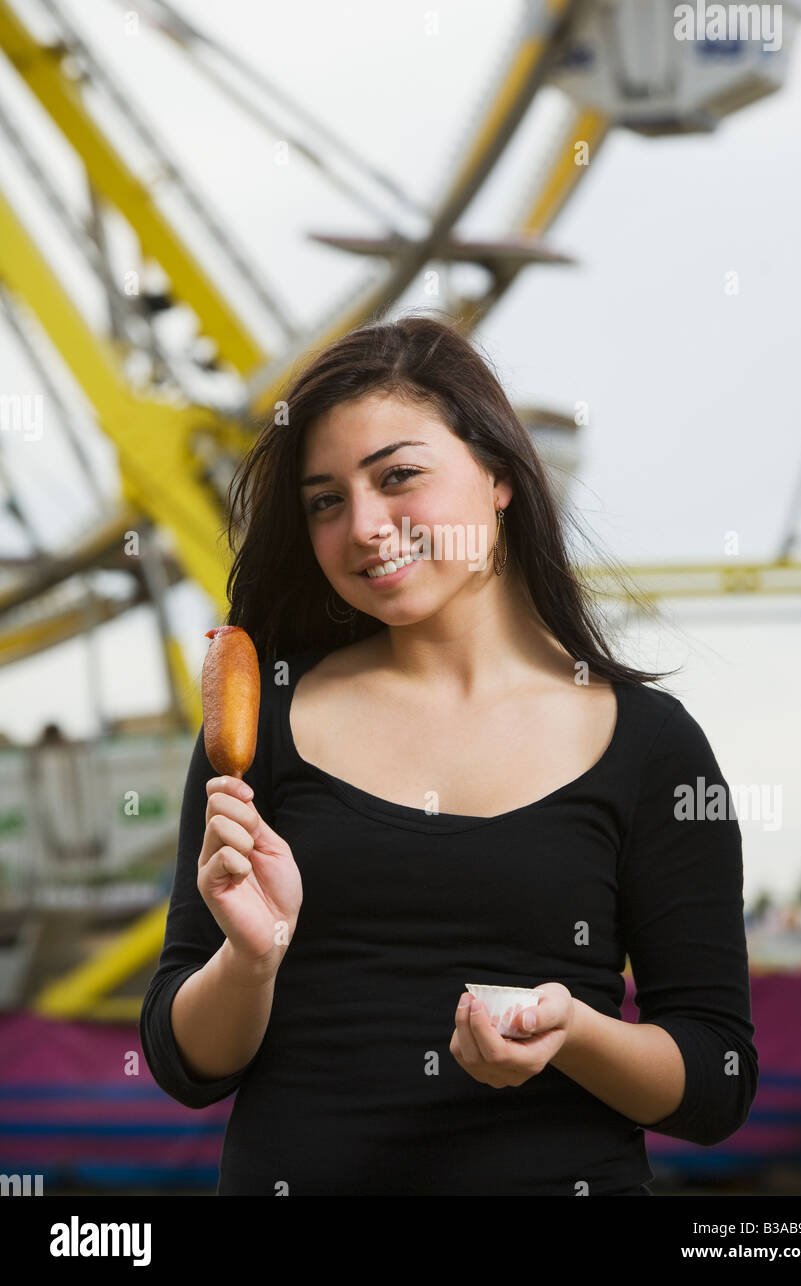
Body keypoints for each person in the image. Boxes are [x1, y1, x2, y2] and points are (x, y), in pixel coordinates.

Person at [140, 313, 758, 1196]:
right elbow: (182, 1063)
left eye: (398, 477)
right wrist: (250, 958)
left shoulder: (655, 747)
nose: (363, 526)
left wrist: (573, 1034)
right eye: (325, 501)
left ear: (499, 476)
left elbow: (716, 1080)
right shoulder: (256, 730)